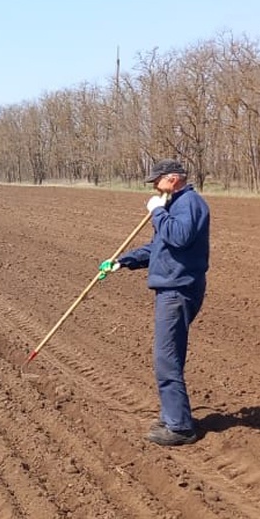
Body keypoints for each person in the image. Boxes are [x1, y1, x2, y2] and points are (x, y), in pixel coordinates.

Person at [99, 158, 210, 446]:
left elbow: (179, 237)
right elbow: (158, 246)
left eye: (156, 181)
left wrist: (158, 212)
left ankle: (180, 427)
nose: (153, 186)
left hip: (178, 290)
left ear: (172, 179)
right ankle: (172, 414)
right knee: (169, 356)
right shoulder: (175, 205)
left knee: (166, 358)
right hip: (171, 288)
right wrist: (123, 262)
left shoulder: (190, 204)